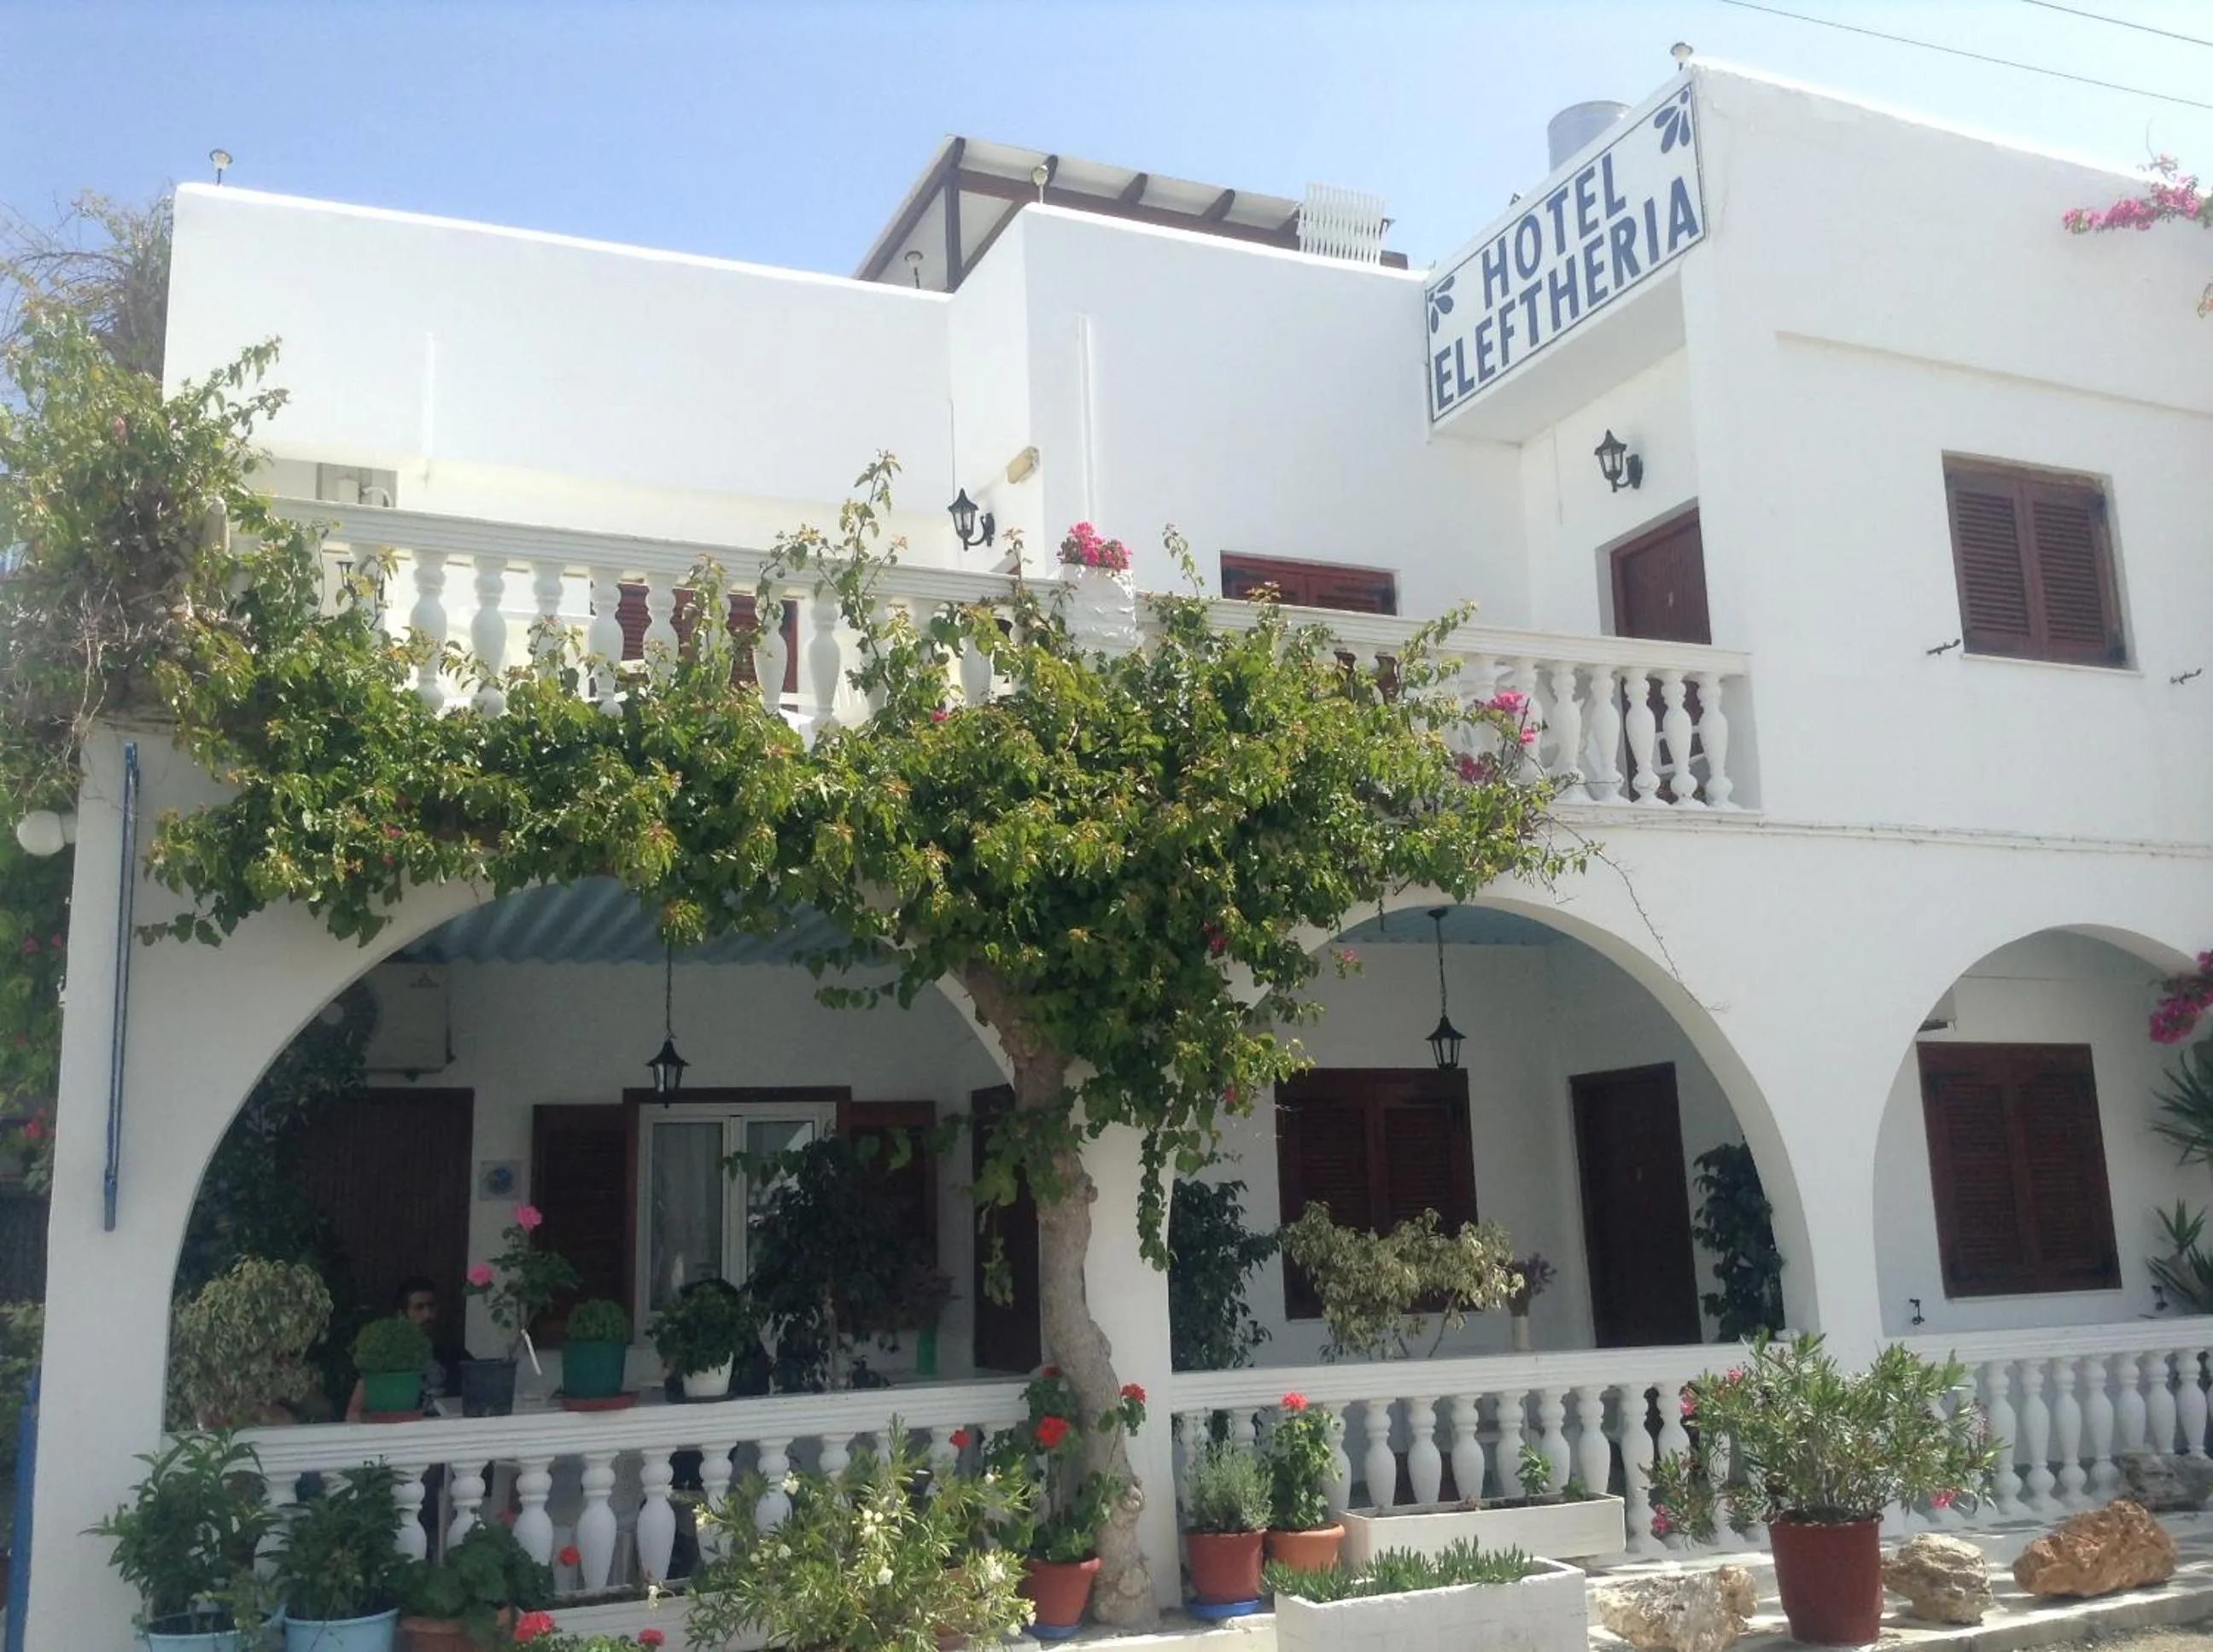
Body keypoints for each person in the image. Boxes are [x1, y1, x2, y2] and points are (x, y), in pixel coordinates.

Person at [345, 1275, 473, 1421]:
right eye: (419, 1308)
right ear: (402, 1314)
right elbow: (354, 1416)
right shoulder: (383, 1361)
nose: (428, 1314)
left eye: (431, 1306)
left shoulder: (456, 1356)